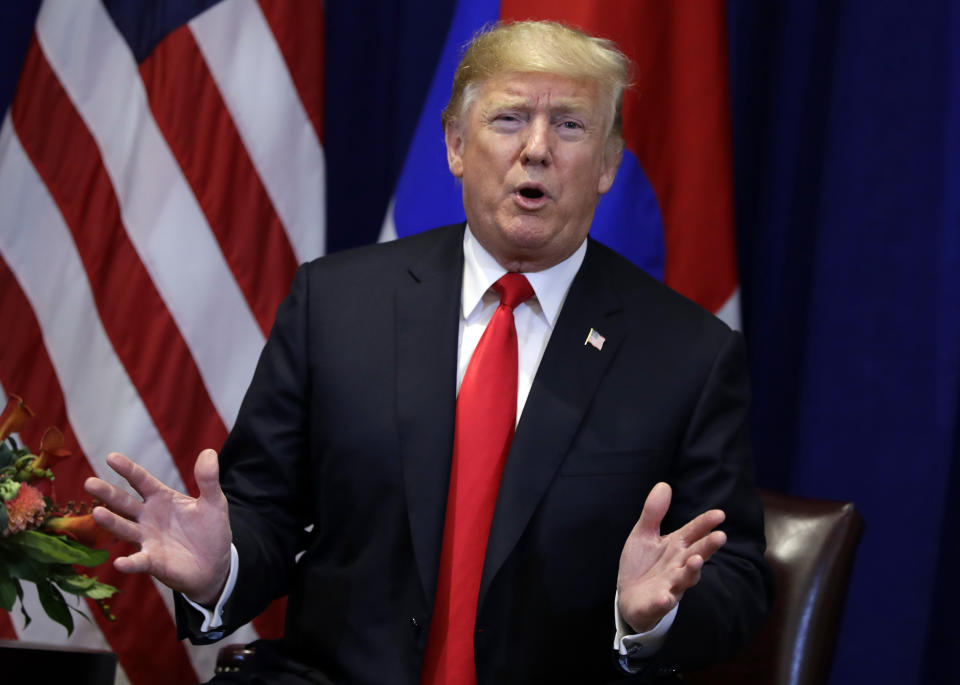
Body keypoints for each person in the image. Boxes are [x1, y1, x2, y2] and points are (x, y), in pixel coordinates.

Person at [85, 20, 771, 684]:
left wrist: (651, 616)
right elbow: (265, 506)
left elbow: (736, 577)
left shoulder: (687, 354)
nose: (536, 149)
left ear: (608, 164)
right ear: (454, 145)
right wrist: (223, 567)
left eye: (570, 124)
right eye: (508, 119)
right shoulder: (337, 304)